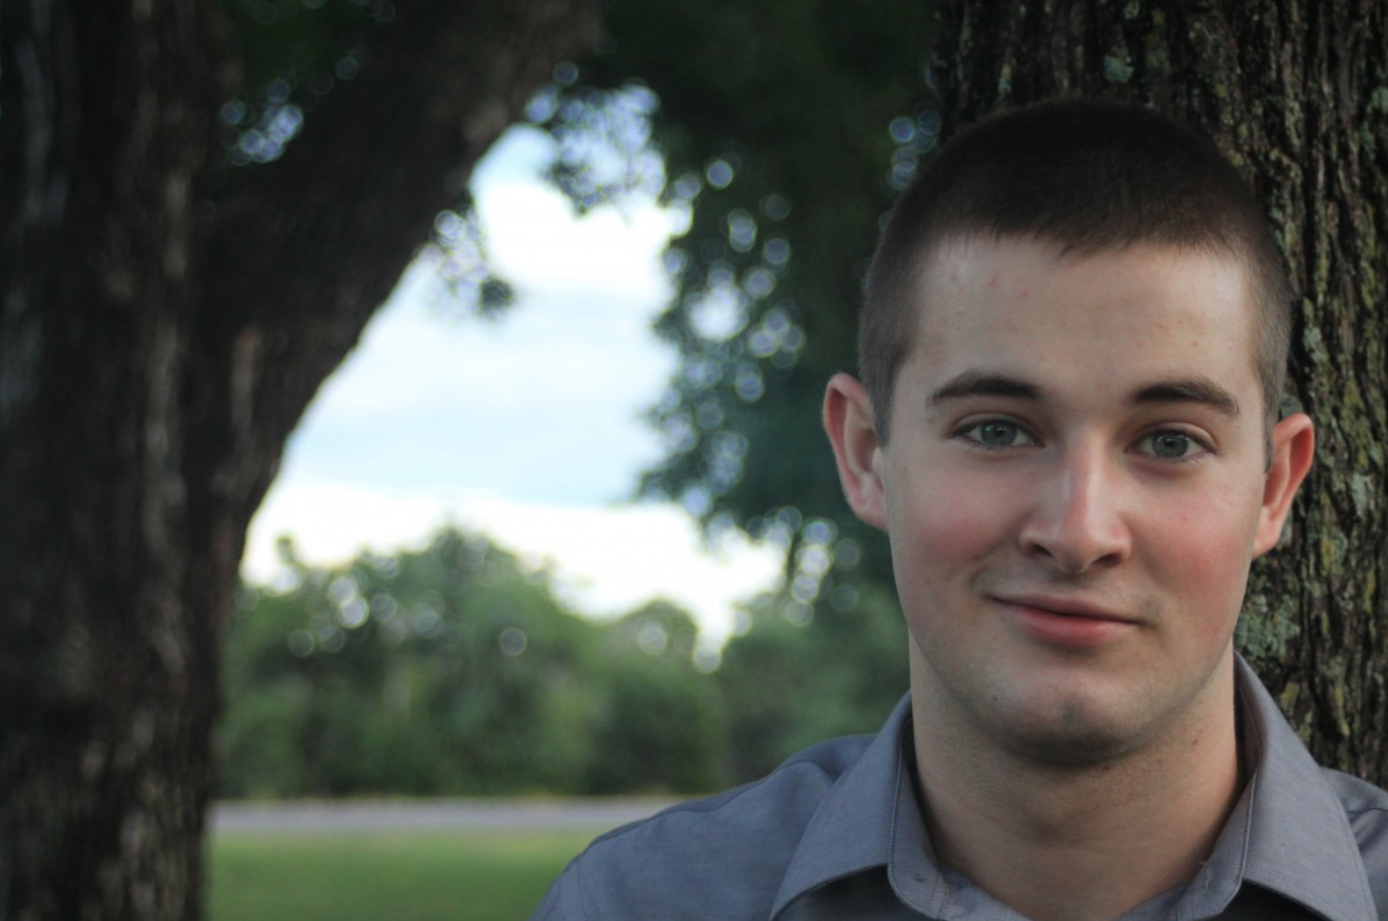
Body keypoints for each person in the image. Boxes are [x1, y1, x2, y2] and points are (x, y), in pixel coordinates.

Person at [529, 99, 1388, 921]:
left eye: (1169, 441)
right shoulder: (638, 904)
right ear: (867, 453)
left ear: (1274, 487)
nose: (1079, 532)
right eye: (996, 430)